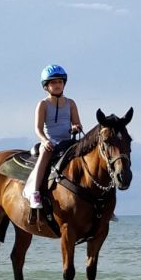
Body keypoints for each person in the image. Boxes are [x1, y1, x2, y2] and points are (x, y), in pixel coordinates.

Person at [26, 64, 82, 209]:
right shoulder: (43, 104)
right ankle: (34, 192)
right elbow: (38, 128)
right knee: (46, 153)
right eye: (53, 82)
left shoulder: (71, 103)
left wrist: (76, 127)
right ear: (46, 86)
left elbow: (77, 123)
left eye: (60, 82)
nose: (57, 85)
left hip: (68, 141)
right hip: (51, 141)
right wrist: (44, 141)